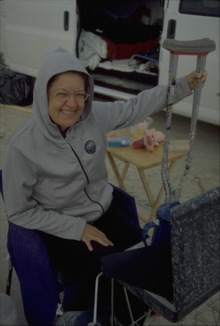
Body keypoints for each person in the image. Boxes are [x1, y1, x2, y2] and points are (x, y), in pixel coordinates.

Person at [2, 48, 206, 324]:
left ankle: (133, 314)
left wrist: (182, 86)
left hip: (105, 210)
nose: (72, 104)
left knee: (146, 261)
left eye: (80, 94)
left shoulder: (92, 115)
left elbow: (135, 107)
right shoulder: (23, 147)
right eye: (62, 94)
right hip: (62, 226)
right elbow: (19, 212)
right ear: (44, 95)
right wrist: (77, 228)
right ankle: (89, 316)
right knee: (110, 270)